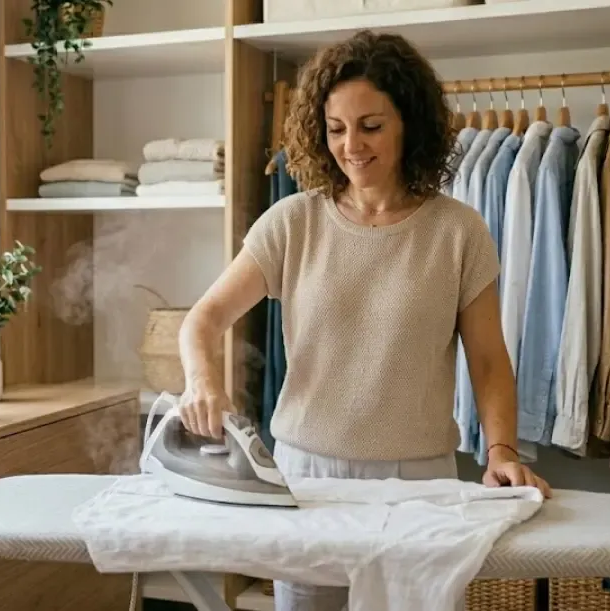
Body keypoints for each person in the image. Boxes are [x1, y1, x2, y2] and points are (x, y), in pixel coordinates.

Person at [176, 30, 552, 610]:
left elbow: (487, 357)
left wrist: (501, 449)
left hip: (418, 479)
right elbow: (203, 319)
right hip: (308, 474)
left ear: (409, 123)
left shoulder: (458, 231)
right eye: (336, 128)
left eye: (371, 126)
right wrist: (202, 381)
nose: (352, 146)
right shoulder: (292, 223)